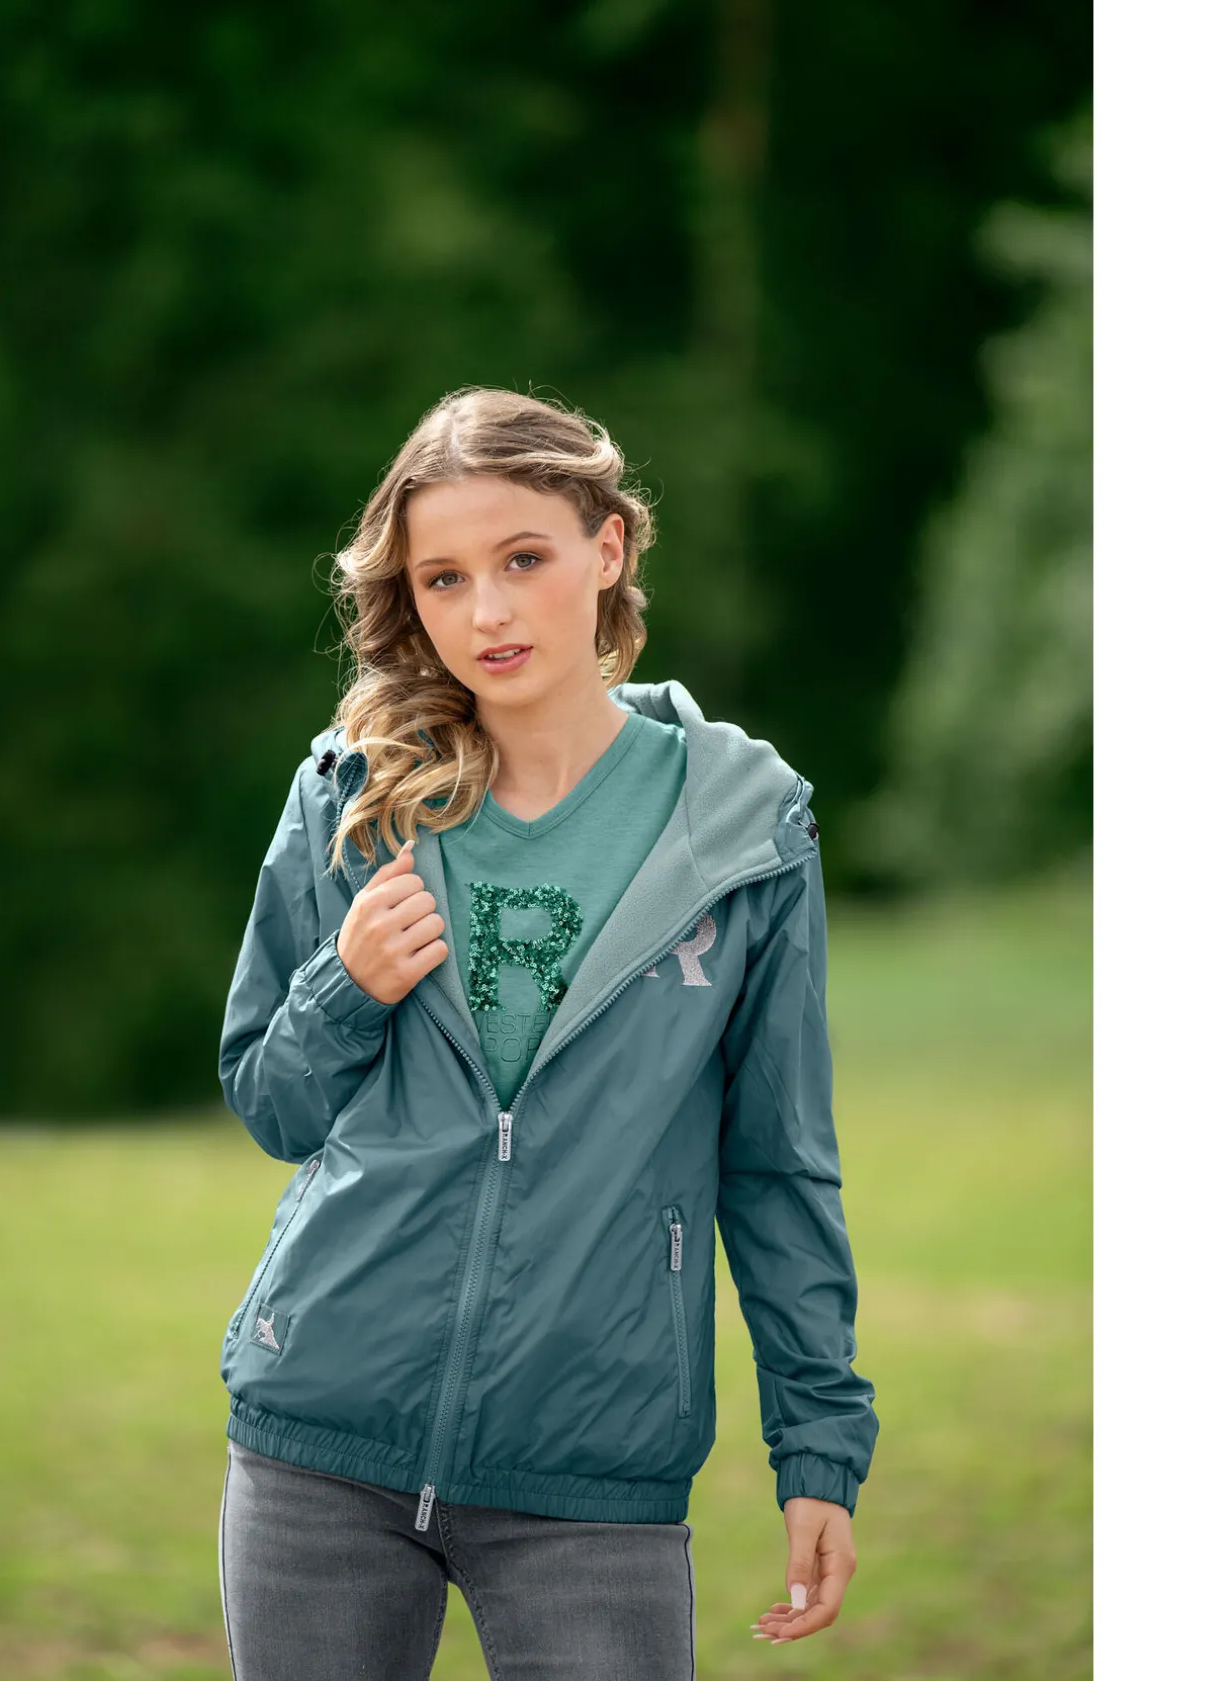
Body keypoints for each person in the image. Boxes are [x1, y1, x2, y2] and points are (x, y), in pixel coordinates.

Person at [215, 387, 879, 1679]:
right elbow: (270, 1102)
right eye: (445, 579)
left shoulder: (743, 831)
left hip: (594, 1468)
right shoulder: (352, 794)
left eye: (523, 559)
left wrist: (817, 1446)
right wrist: (345, 986)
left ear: (607, 548)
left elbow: (777, 1164)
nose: (488, 613)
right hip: (318, 1447)